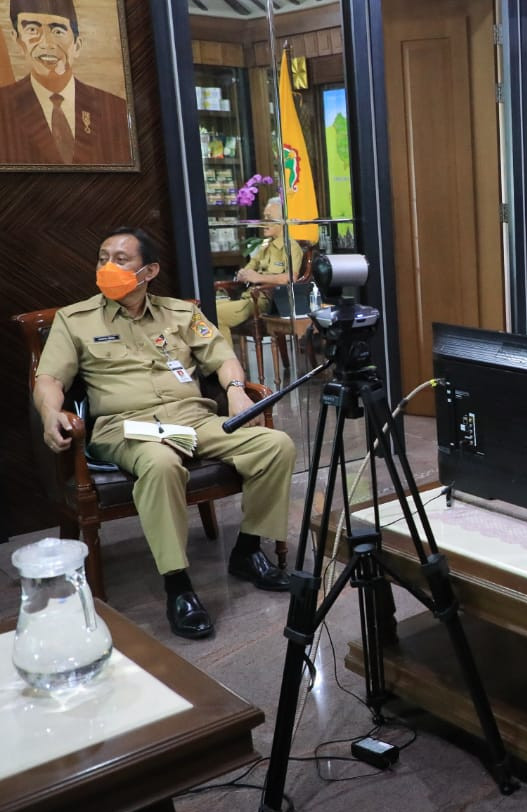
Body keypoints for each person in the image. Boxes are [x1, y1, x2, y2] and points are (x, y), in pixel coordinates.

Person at [33, 227, 297, 640]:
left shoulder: (180, 313)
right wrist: (50, 412)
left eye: (121, 259)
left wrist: (234, 392)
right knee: (160, 462)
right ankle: (179, 586)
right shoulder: (75, 320)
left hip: (192, 418)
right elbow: (49, 378)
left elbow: (222, 357)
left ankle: (247, 551)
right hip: (125, 427)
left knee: (274, 445)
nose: (107, 267)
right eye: (103, 258)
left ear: (149, 270)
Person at [0, 0, 131, 165]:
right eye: (32, 30)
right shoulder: (2, 107)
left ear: (77, 45)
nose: (47, 44)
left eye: (58, 31)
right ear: (17, 40)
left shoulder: (116, 109)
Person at [215, 197, 305, 340]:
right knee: (204, 309)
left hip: (265, 302)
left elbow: (291, 278)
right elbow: (247, 270)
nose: (264, 223)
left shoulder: (291, 247)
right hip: (247, 296)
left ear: (282, 221)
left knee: (215, 315)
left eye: (269, 218)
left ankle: (225, 361)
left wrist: (258, 278)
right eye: (264, 217)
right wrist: (244, 273)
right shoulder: (265, 246)